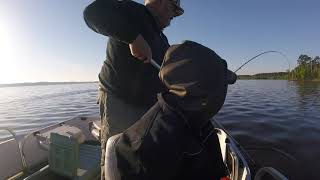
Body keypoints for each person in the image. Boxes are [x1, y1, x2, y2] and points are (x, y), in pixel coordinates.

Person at [83, 0, 183, 178]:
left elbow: (170, 67)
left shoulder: (161, 38)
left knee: (139, 157)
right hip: (119, 100)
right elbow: (92, 13)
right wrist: (133, 37)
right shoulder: (133, 11)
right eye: (174, 10)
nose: (173, 17)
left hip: (147, 107)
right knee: (114, 155)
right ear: (161, 3)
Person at [109, 40, 237, 180]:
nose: (224, 92)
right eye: (222, 85)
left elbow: (216, 171)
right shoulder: (150, 146)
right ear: (204, 91)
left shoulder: (200, 121)